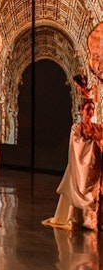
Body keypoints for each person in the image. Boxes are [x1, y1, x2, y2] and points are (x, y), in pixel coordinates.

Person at [45, 97, 103, 230]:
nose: (91, 112)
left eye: (93, 109)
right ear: (82, 111)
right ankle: (80, 219)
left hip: (96, 168)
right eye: (88, 109)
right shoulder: (77, 127)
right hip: (82, 169)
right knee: (82, 188)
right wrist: (94, 145)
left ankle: (96, 220)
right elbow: (77, 145)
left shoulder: (98, 127)